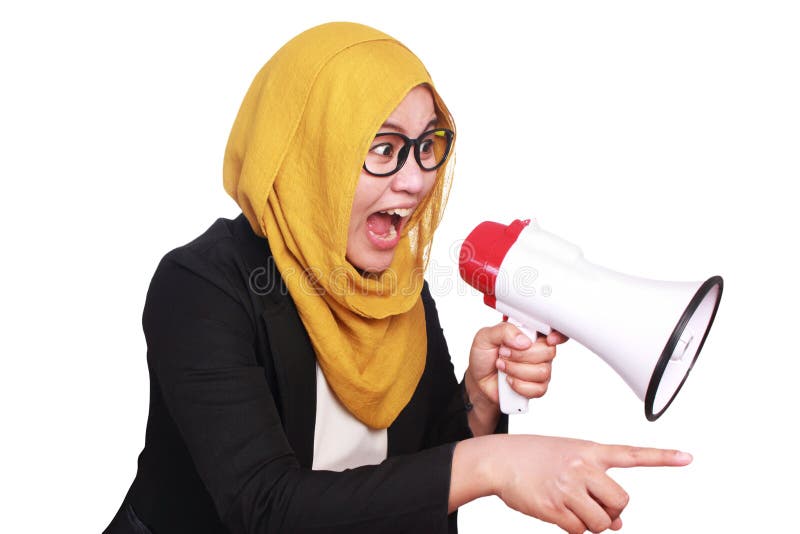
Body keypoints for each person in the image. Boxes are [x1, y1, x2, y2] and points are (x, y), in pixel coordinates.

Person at [104, 22, 692, 534]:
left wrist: (479, 401)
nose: (414, 181)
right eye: (383, 148)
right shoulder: (203, 287)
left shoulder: (396, 287)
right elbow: (264, 506)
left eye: (428, 145)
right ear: (310, 152)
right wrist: (491, 464)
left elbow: (421, 469)